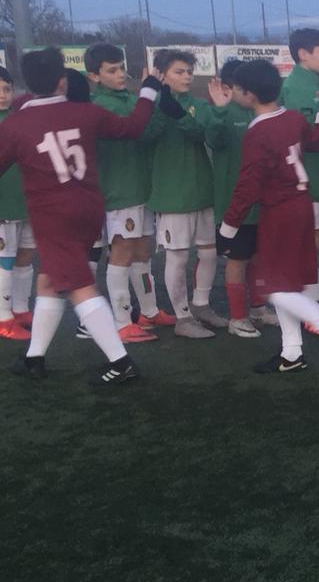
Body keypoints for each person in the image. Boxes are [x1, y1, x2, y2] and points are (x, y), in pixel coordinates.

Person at [0, 47, 167, 384]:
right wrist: (149, 89)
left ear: (26, 85)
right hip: (88, 207)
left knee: (79, 286)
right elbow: (132, 127)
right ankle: (34, 358)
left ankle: (121, 362)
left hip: (52, 216)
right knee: (49, 281)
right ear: (62, 81)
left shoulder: (16, 123)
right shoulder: (86, 112)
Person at [218, 60, 319, 373]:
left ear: (248, 94)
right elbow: (317, 140)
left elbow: (247, 187)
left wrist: (227, 229)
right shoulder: (292, 118)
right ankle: (292, 353)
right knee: (289, 283)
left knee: (275, 287)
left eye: (237, 89)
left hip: (281, 211)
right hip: (301, 205)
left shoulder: (258, 132)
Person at [87, 43, 169, 339]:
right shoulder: (98, 105)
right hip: (119, 190)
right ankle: (122, 322)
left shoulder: (132, 100)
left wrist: (161, 104)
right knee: (122, 252)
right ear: (94, 76)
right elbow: (132, 129)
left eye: (121, 68)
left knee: (142, 252)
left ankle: (149, 311)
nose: (120, 74)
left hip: (142, 188)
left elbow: (148, 133)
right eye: (112, 70)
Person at [147, 49, 224, 338]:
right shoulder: (150, 105)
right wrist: (162, 111)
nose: (187, 77)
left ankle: (201, 305)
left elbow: (202, 134)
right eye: (179, 71)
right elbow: (145, 136)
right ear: (161, 74)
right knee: (177, 257)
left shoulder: (197, 104)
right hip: (172, 194)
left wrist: (178, 114)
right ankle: (182, 317)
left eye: (189, 71)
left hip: (203, 189)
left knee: (210, 252)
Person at [203, 59, 273, 338]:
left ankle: (258, 309)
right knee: (238, 260)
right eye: (246, 87)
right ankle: (237, 318)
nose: (250, 93)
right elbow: (213, 140)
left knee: (258, 257)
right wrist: (220, 110)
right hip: (235, 204)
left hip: (262, 202)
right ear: (230, 87)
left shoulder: (260, 111)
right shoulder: (222, 112)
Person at [280, 28, 319, 304]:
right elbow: (308, 140)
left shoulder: (317, 83)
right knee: (306, 243)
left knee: (311, 241)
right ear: (304, 54)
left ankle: (307, 305)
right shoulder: (296, 88)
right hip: (306, 180)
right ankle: (307, 306)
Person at [0, 65, 37, 340]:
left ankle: (21, 309)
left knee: (26, 254)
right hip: (3, 204)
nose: (3, 95)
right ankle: (4, 317)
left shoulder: (19, 119)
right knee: (5, 259)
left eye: (7, 89)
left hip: (26, 200)